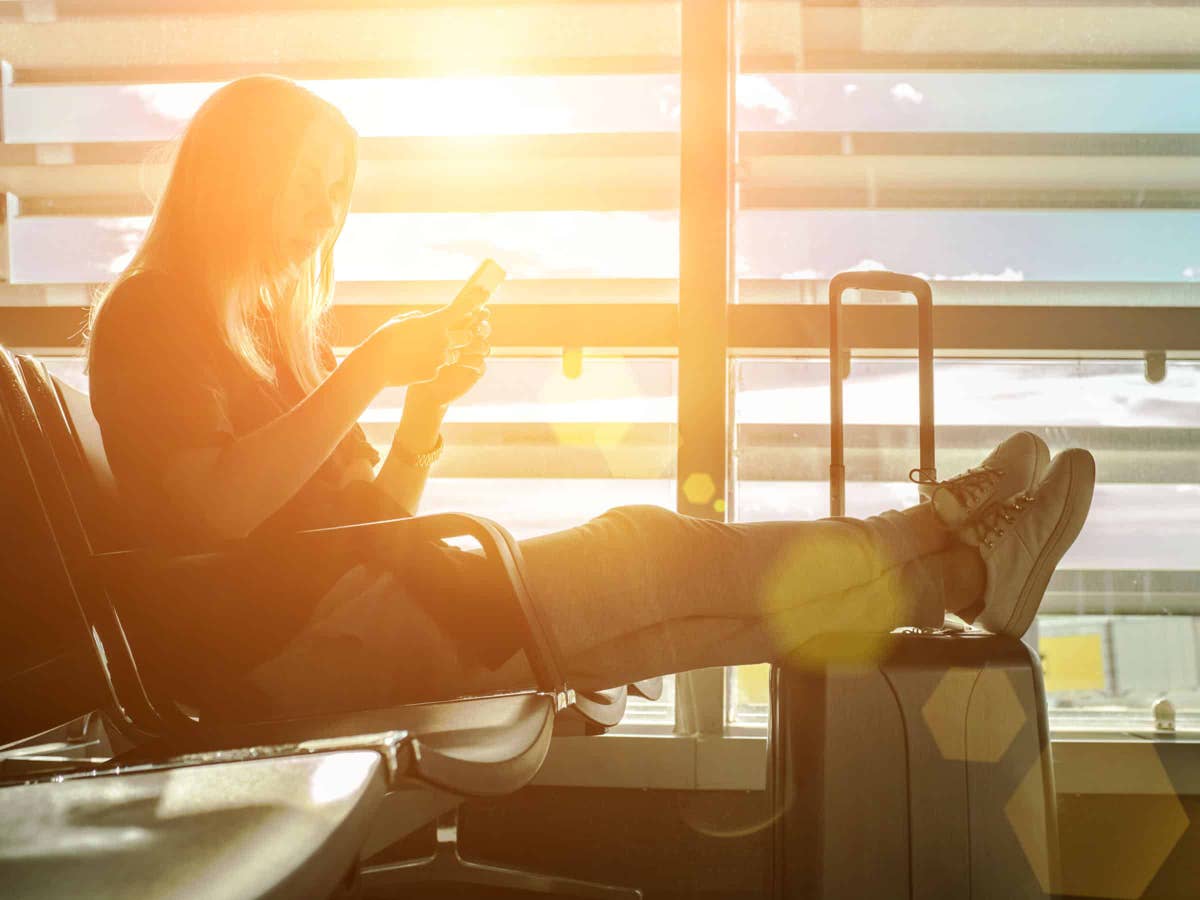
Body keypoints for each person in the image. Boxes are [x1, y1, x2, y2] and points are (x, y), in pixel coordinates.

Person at [85, 76, 1096, 720]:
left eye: (341, 187)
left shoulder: (275, 338)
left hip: (358, 617)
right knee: (649, 547)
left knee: (709, 623)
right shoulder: (152, 316)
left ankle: (964, 576)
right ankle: (943, 518)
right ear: (237, 175)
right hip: (288, 658)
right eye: (307, 178)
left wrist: (421, 419)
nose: (327, 210)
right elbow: (215, 512)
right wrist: (369, 371)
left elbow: (370, 525)